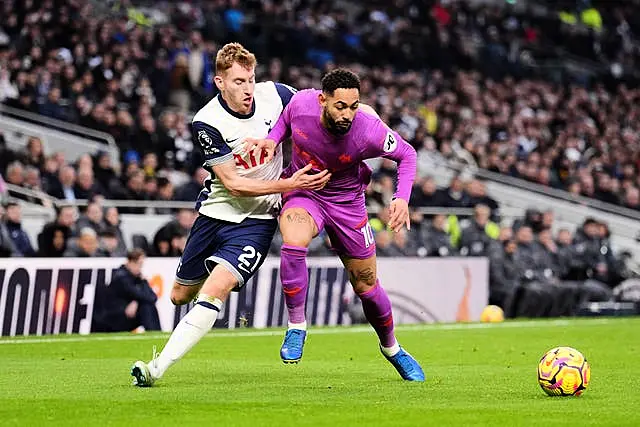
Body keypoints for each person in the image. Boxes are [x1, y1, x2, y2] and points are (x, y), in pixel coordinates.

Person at [130, 43, 331, 387]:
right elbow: (235, 184)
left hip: (256, 222)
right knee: (180, 296)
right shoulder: (207, 122)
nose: (248, 89)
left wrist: (360, 117)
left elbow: (323, 104)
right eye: (238, 81)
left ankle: (155, 368)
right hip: (215, 213)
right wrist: (289, 184)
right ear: (220, 82)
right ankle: (198, 313)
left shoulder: (277, 94)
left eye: (251, 79)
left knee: (214, 290)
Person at [244, 68, 424, 381]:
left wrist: (402, 197)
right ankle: (297, 327)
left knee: (366, 287)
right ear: (323, 100)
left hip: (348, 205)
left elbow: (407, 154)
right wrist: (272, 141)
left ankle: (392, 348)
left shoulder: (368, 130)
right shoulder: (301, 104)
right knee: (294, 242)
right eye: (341, 106)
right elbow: (286, 119)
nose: (348, 114)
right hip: (305, 192)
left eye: (354, 106)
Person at [92, 249, 161, 333]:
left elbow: (153, 297)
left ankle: (156, 333)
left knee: (147, 305)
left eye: (141, 265)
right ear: (130, 262)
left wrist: (136, 300)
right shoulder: (121, 277)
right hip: (115, 317)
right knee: (146, 306)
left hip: (127, 314)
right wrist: (142, 287)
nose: (140, 268)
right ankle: (154, 333)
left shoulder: (136, 277)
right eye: (138, 264)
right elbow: (138, 294)